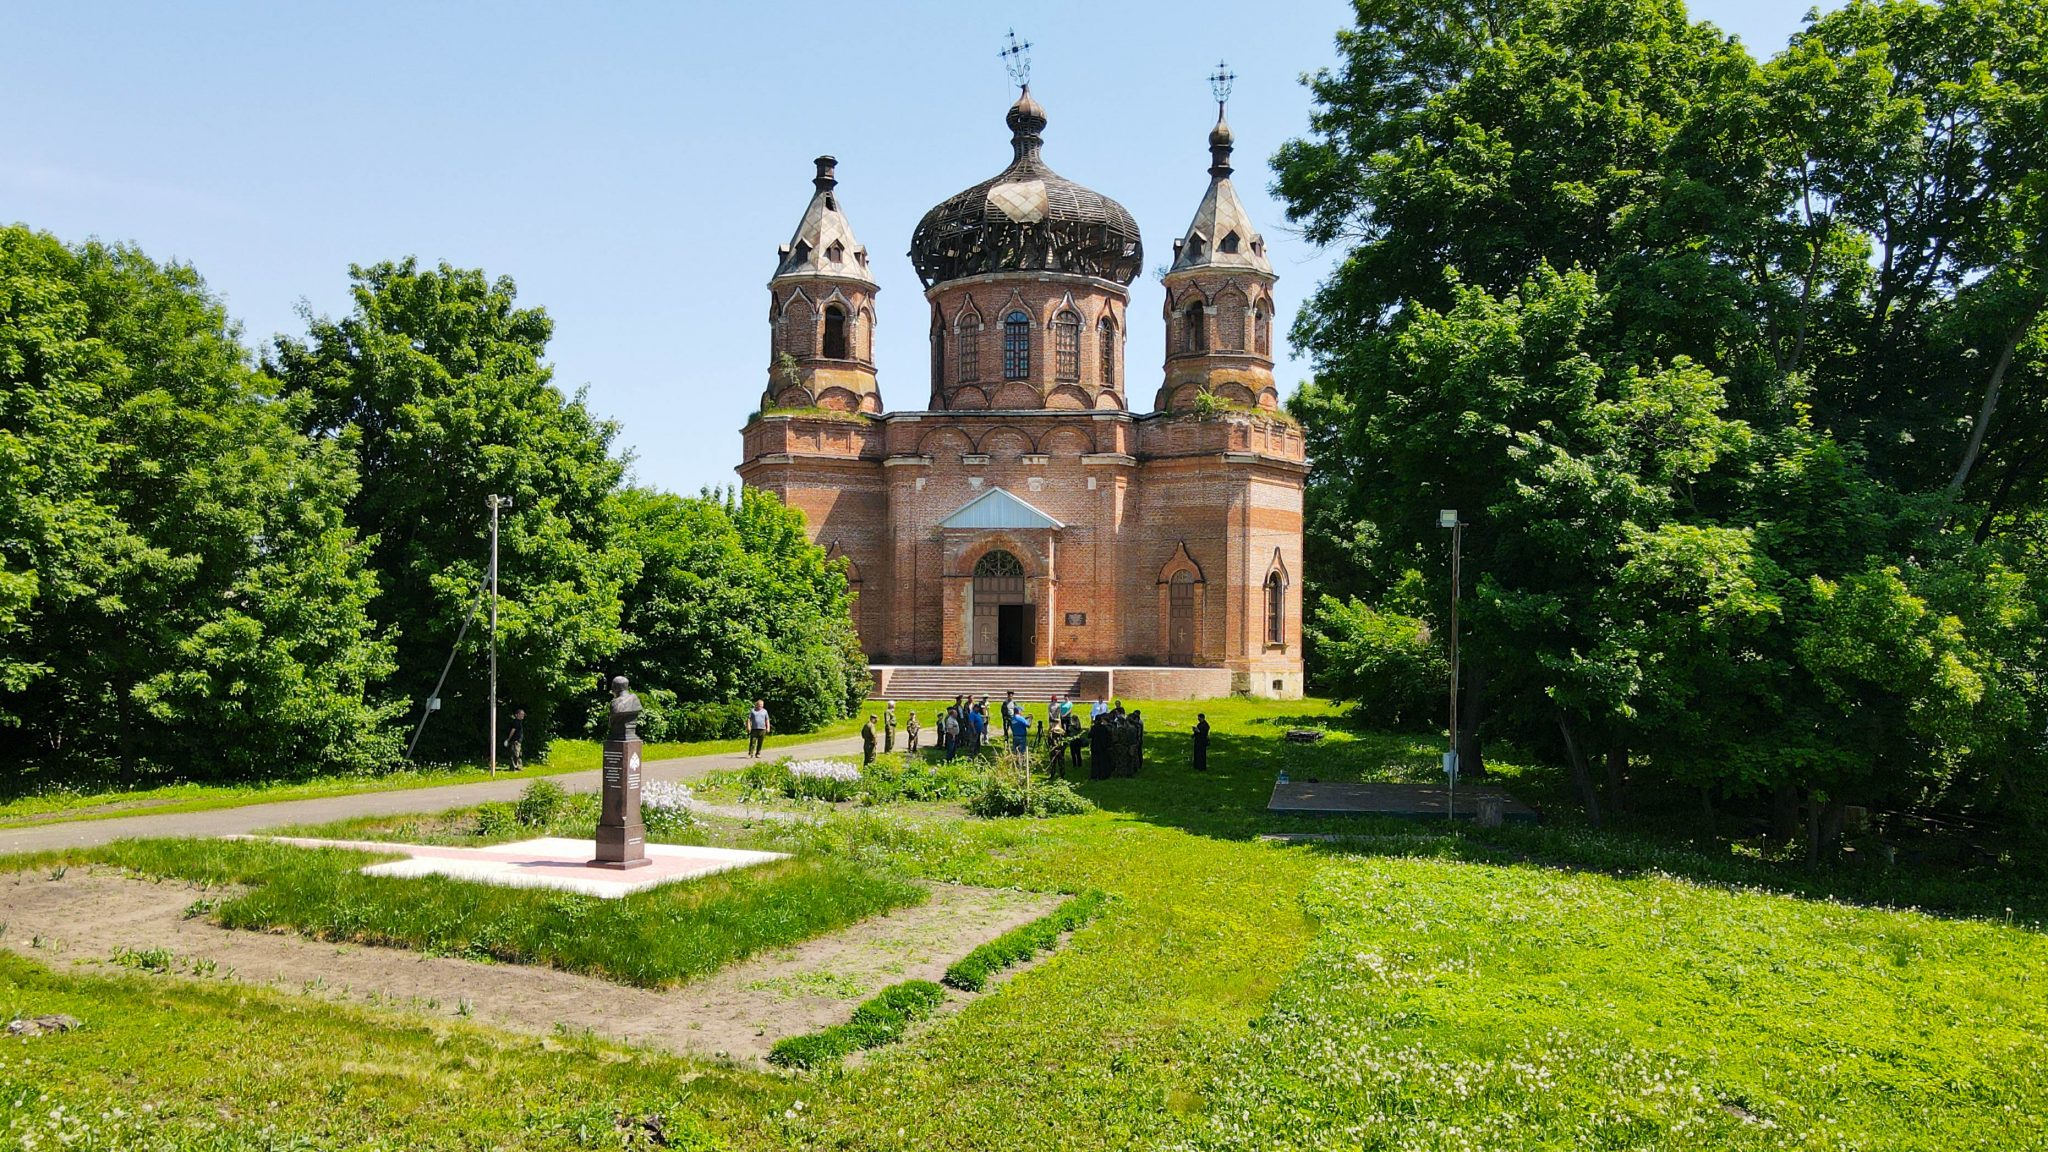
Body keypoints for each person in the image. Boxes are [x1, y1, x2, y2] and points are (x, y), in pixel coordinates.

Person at [1129, 709, 1146, 776]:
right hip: (1139, 739)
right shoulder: (1139, 722)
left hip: (1138, 740)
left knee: (1138, 753)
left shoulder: (1138, 723)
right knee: (1138, 752)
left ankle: (1139, 764)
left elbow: (1139, 733)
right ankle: (1139, 764)